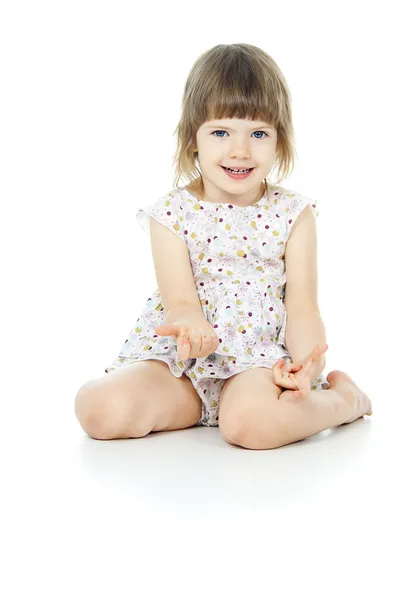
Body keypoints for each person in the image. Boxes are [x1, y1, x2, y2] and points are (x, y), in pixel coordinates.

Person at [74, 43, 372, 449]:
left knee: (251, 426)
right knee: (97, 406)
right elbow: (179, 301)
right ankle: (199, 409)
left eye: (259, 133)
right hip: (182, 365)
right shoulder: (172, 213)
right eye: (220, 132)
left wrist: (307, 364)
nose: (240, 150)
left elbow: (302, 307)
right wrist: (193, 330)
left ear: (279, 141)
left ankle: (343, 400)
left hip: (255, 364)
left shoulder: (293, 214)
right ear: (192, 138)